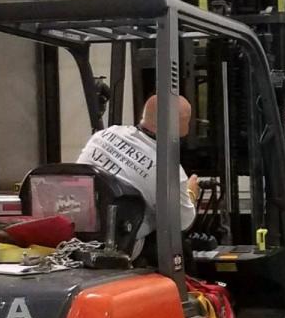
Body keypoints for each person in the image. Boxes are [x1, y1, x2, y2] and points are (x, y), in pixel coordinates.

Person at [76, 95, 198, 255]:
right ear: (179, 126)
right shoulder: (166, 168)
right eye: (187, 121)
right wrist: (190, 192)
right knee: (181, 247)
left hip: (76, 233)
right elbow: (182, 223)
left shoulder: (104, 135)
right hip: (121, 247)